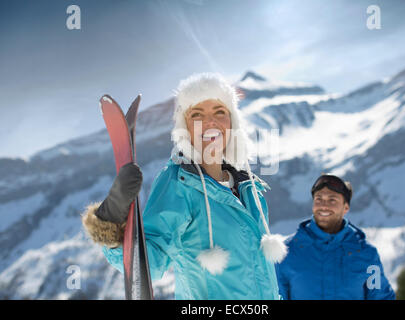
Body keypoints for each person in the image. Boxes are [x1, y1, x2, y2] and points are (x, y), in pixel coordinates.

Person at [81, 73, 287, 300]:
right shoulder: (179, 183)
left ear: (232, 123)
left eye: (220, 112)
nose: (210, 122)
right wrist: (111, 221)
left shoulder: (250, 189)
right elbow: (151, 262)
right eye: (197, 114)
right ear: (185, 128)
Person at [276, 174, 396, 300]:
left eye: (332, 200)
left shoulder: (366, 254)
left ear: (346, 207)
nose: (324, 206)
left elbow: (381, 297)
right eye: (318, 199)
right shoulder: (286, 252)